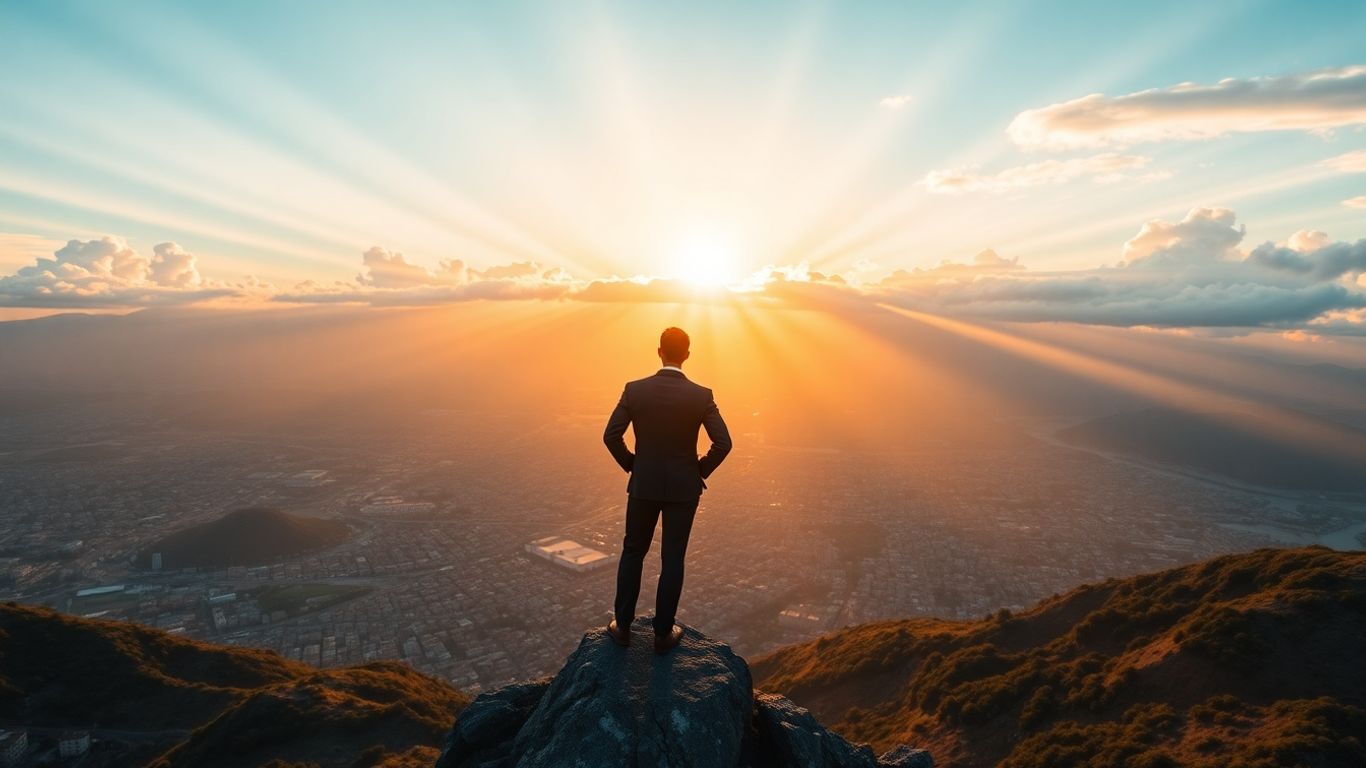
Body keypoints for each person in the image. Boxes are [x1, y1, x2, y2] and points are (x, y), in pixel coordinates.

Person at [603, 327, 731, 654]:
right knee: (673, 557)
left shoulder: (635, 390)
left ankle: (622, 627)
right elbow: (723, 443)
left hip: (643, 485)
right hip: (683, 489)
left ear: (658, 351)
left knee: (633, 551)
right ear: (687, 355)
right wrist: (697, 470)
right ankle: (662, 634)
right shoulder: (701, 395)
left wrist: (634, 464)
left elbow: (611, 436)